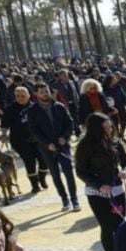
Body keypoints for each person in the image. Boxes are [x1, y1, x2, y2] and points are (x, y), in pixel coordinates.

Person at [74, 113, 126, 251]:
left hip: (117, 189)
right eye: (105, 127)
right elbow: (80, 171)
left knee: (120, 224)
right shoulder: (85, 145)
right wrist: (98, 184)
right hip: (96, 193)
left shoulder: (116, 143)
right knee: (107, 225)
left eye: (110, 126)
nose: (109, 130)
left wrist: (125, 171)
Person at [26, 83, 80, 212]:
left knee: (69, 173)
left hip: (63, 146)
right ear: (36, 94)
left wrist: (65, 137)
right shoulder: (32, 111)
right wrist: (47, 144)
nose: (45, 94)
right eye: (42, 92)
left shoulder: (59, 106)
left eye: (46, 91)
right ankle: (65, 200)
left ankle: (74, 199)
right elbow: (34, 131)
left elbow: (69, 123)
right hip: (47, 148)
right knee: (55, 175)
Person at [0, 86, 48, 193]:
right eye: (18, 96)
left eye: (23, 96)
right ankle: (34, 184)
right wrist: (4, 134)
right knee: (29, 161)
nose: (20, 98)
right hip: (20, 140)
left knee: (44, 161)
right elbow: (4, 124)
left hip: (38, 139)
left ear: (28, 96)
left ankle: (42, 178)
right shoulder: (10, 109)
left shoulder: (36, 107)